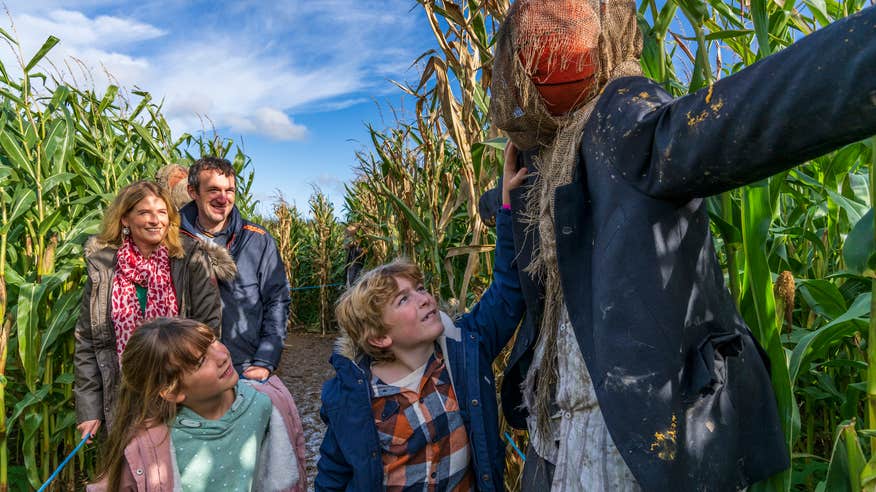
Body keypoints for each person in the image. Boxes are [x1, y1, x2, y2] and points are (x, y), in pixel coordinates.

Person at [489, 1, 876, 490]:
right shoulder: (549, 156)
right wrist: (505, 205)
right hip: (558, 421)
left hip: (634, 427)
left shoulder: (621, 116)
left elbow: (746, 114)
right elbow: (533, 210)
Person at [315, 149, 527, 491]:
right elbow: (333, 476)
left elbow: (506, 291)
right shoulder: (352, 399)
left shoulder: (465, 352)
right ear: (380, 337)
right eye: (404, 299)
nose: (425, 298)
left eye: (420, 288)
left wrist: (506, 205)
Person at [75, 180, 236, 441]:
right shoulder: (103, 268)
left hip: (179, 392)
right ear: (125, 219)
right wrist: (89, 409)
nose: (155, 220)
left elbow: (208, 327)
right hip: (123, 395)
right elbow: (88, 342)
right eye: (144, 212)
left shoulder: (190, 258)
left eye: (162, 212)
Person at [89, 317, 302, 492]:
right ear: (172, 391)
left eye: (213, 341)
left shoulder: (267, 404)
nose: (221, 356)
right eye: (200, 361)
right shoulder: (146, 444)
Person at [179, 157, 292, 381]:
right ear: (193, 192)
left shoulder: (257, 240)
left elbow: (277, 301)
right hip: (189, 367)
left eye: (229, 190)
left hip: (244, 366)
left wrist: (265, 360)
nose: (223, 198)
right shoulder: (173, 240)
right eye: (213, 190)